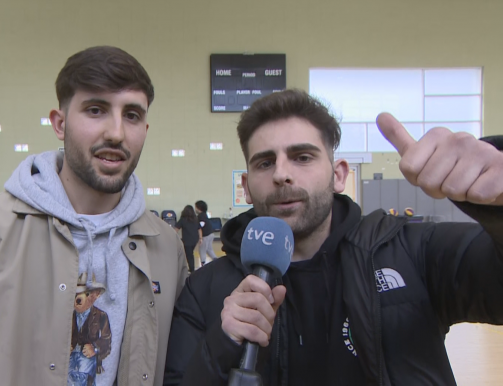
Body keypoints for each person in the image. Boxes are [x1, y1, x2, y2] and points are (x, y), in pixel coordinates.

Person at [0, 46, 188, 386]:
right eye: (96, 110)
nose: (116, 133)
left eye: (132, 115)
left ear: (145, 130)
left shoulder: (165, 246)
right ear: (60, 124)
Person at [164, 89, 503, 386]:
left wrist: (498, 204)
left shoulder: (411, 251)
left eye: (302, 157)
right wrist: (222, 345)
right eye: (265, 163)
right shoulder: (205, 289)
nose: (282, 174)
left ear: (339, 175)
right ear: (246, 187)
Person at [175, 205, 200, 272]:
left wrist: (174, 237)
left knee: (189, 255)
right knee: (190, 254)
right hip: (195, 239)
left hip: (187, 240)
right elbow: (199, 229)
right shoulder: (195, 219)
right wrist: (200, 238)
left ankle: (192, 270)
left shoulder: (183, 219)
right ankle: (191, 268)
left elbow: (176, 229)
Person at [195, 200, 217, 267]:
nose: (195, 209)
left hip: (205, 235)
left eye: (195, 207)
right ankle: (216, 260)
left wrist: (200, 238)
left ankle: (203, 264)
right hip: (211, 234)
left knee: (202, 250)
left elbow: (201, 225)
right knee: (209, 249)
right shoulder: (205, 214)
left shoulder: (200, 216)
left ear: (199, 208)